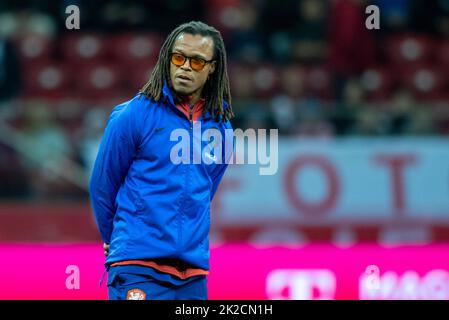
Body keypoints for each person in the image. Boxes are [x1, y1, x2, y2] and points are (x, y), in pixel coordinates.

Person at [89, 21, 234, 300]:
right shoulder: (134, 114)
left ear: (212, 67)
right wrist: (119, 239)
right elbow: (102, 187)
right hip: (137, 267)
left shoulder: (222, 129)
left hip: (192, 274)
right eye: (178, 57)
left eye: (196, 61)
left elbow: (205, 191)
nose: (185, 67)